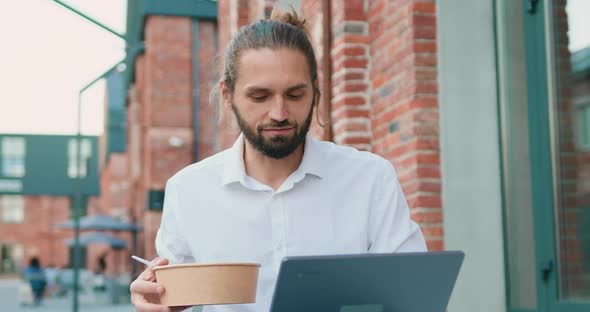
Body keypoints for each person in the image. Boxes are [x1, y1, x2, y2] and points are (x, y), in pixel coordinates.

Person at [130, 8, 427, 312]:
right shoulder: (188, 190)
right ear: (228, 95)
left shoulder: (370, 178)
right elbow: (176, 300)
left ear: (316, 92)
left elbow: (415, 295)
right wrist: (156, 302)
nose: (280, 113)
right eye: (260, 97)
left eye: (295, 95)